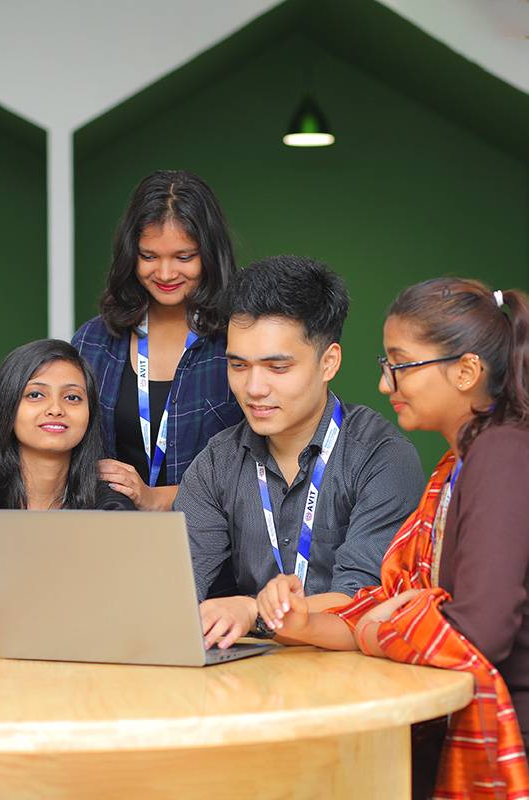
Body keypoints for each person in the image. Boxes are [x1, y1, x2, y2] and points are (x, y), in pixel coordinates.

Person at [256, 278, 529, 797]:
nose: (387, 385)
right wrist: (304, 622)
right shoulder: (456, 467)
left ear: (466, 371)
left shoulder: (503, 454)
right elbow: (396, 600)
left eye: (400, 365)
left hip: (508, 731)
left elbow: (479, 631)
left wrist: (381, 628)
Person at [173, 255, 425, 650]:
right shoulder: (216, 463)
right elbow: (175, 591)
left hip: (357, 684)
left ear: (329, 363)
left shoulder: (382, 457)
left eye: (277, 368)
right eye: (238, 366)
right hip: (251, 687)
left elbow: (361, 601)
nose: (254, 388)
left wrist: (254, 611)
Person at [70, 170, 243, 511]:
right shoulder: (93, 340)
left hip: (214, 552)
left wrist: (156, 498)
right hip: (109, 542)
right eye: (149, 256)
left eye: (183, 257)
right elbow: (57, 443)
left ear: (209, 254)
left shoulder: (239, 340)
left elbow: (262, 467)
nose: (164, 274)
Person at [0, 339, 134, 644]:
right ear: (7, 406)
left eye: (73, 398)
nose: (56, 409)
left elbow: (127, 615)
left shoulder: (110, 508)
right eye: (36, 394)